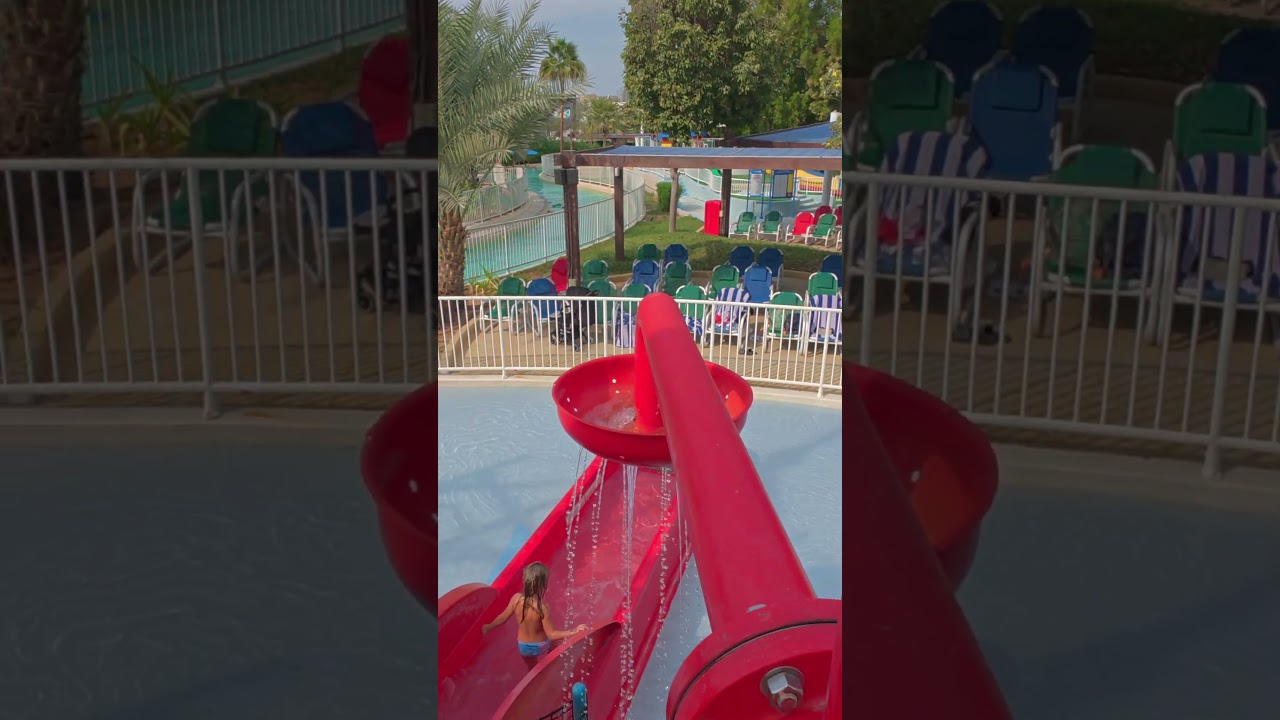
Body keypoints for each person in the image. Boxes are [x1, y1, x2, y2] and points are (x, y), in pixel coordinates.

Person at [480, 562, 586, 664]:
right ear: (543, 585)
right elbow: (552, 634)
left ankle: (534, 673)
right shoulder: (542, 608)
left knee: (532, 667)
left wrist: (488, 627)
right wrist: (575, 631)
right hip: (541, 645)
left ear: (524, 581)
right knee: (554, 644)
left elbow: (502, 618)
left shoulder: (516, 599)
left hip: (523, 647)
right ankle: (554, 663)